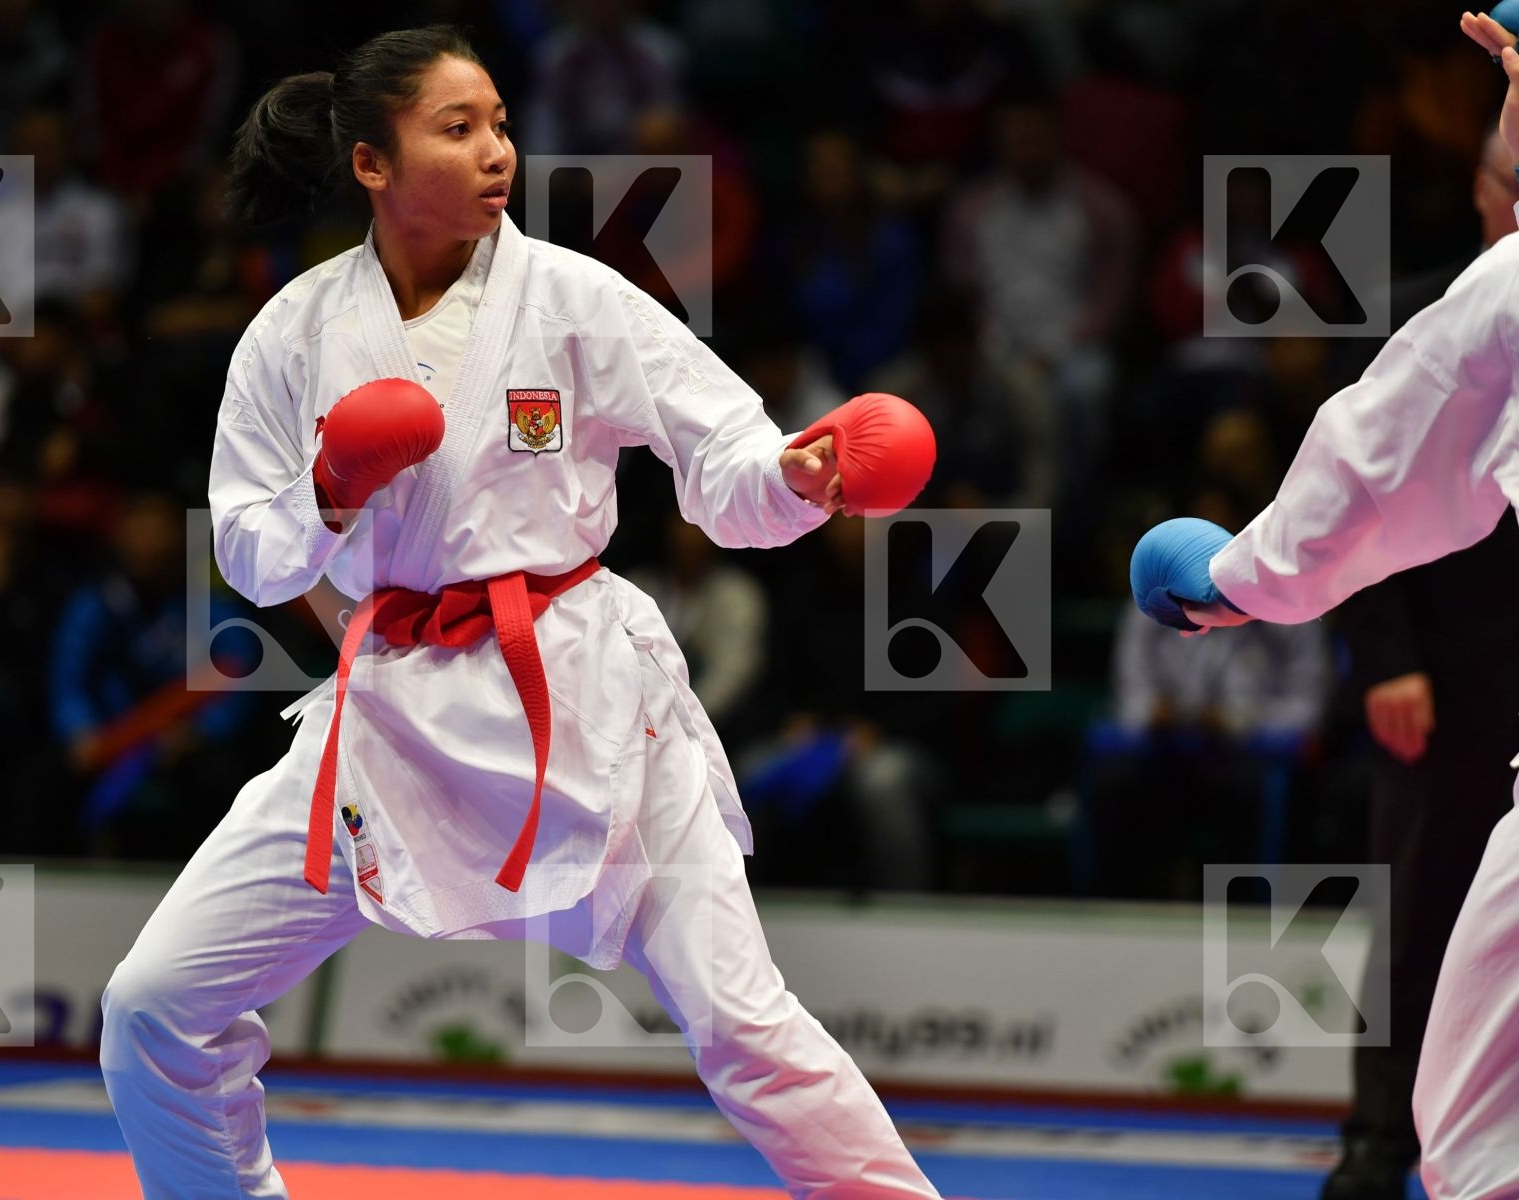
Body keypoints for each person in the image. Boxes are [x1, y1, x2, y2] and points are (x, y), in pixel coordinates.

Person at [97, 26, 941, 1200]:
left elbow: (730, 453)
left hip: (587, 696)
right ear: (370, 167)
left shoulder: (577, 299)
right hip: (388, 705)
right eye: (458, 129)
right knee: (154, 1006)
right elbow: (244, 545)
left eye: (498, 121)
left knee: (747, 1029)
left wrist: (798, 479)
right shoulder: (295, 331)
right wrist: (330, 489)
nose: (498, 150)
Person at [1128, 14, 1519, 1197]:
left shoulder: (1505, 290)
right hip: (1457, 670)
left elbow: (1365, 470)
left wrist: (1230, 582)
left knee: (1479, 1128)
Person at [1320, 124, 1519, 1200]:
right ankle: (1379, 1142)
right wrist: (1387, 654)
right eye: (1505, 188)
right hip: (1444, 675)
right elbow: (1356, 489)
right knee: (1420, 910)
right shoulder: (1422, 314)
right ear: (1480, 192)